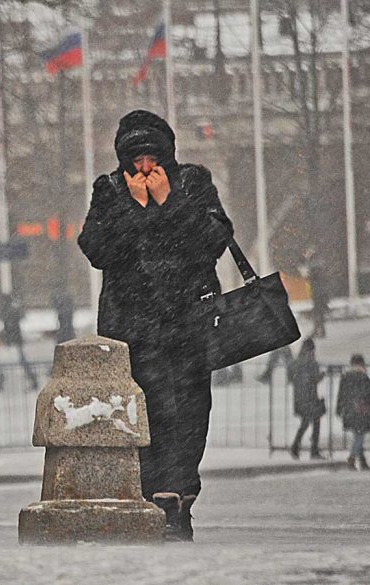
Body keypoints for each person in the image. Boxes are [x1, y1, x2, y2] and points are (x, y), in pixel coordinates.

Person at [78, 109, 233, 541]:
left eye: (153, 158)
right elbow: (96, 248)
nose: (145, 168)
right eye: (136, 160)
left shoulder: (193, 184)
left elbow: (212, 241)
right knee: (142, 417)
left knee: (188, 415)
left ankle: (181, 498)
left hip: (188, 326)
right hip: (133, 331)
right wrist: (139, 210)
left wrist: (170, 203)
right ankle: (155, 500)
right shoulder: (109, 191)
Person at [288, 338, 326, 460]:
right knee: (315, 422)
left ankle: (296, 446)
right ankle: (312, 449)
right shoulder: (312, 363)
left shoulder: (296, 363)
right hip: (310, 397)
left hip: (300, 398)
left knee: (305, 422)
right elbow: (314, 379)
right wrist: (323, 375)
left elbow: (292, 377)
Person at [336, 354, 370, 471]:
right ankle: (352, 459)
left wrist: (339, 409)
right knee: (359, 436)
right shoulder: (364, 377)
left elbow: (341, 394)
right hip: (361, 411)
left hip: (349, 411)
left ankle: (362, 461)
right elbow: (369, 396)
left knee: (358, 435)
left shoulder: (346, 377)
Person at [0, 293, 38, 391]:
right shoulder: (12, 310)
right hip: (14, 340)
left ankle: (33, 379)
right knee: (12, 361)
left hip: (13, 341)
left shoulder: (9, 311)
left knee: (13, 361)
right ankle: (0, 380)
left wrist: (7, 338)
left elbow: (10, 327)